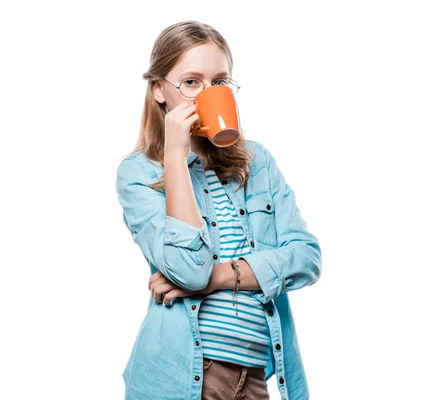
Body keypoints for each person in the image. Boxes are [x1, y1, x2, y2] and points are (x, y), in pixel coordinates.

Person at [115, 20, 322, 400]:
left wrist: (219, 276)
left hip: (256, 374)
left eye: (220, 83)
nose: (207, 94)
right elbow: (188, 271)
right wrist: (176, 158)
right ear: (160, 90)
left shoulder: (257, 163)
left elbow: (306, 257)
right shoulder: (139, 174)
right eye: (191, 82)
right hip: (184, 376)